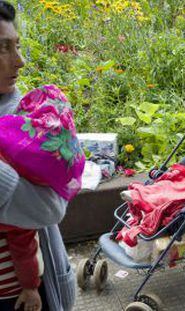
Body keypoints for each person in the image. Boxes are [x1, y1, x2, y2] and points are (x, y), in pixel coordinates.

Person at [0, 1, 76, 310]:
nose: (20, 61)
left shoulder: (28, 119)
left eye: (16, 46)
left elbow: (50, 208)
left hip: (18, 293)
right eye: (3, 49)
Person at [117, 141, 185, 256]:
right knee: (164, 186)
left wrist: (184, 172)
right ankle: (141, 196)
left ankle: (140, 196)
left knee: (167, 192)